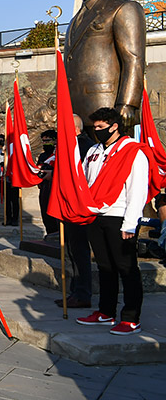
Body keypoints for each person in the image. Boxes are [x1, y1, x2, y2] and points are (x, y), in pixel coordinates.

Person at [76, 107, 149, 335]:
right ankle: (106, 312)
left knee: (126, 267)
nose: (97, 131)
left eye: (100, 127)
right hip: (96, 215)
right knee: (105, 266)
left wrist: (130, 223)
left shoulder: (132, 152)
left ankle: (130, 317)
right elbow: (86, 180)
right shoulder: (94, 151)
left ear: (114, 125)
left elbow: (137, 190)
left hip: (119, 216)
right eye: (94, 127)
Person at [65, 0, 145, 127]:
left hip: (107, 107)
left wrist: (128, 103)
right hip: (76, 111)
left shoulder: (123, 8)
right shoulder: (74, 20)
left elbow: (134, 59)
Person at [64, 114, 95, 308]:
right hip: (69, 206)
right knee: (70, 251)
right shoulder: (72, 144)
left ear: (75, 128)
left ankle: (83, 293)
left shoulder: (84, 145)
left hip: (79, 207)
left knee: (80, 252)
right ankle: (74, 291)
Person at [36, 129, 58, 239]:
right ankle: (49, 233)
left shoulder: (57, 154)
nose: (45, 143)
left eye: (48, 140)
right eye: (43, 141)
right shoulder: (43, 156)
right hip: (44, 187)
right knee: (45, 212)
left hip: (54, 188)